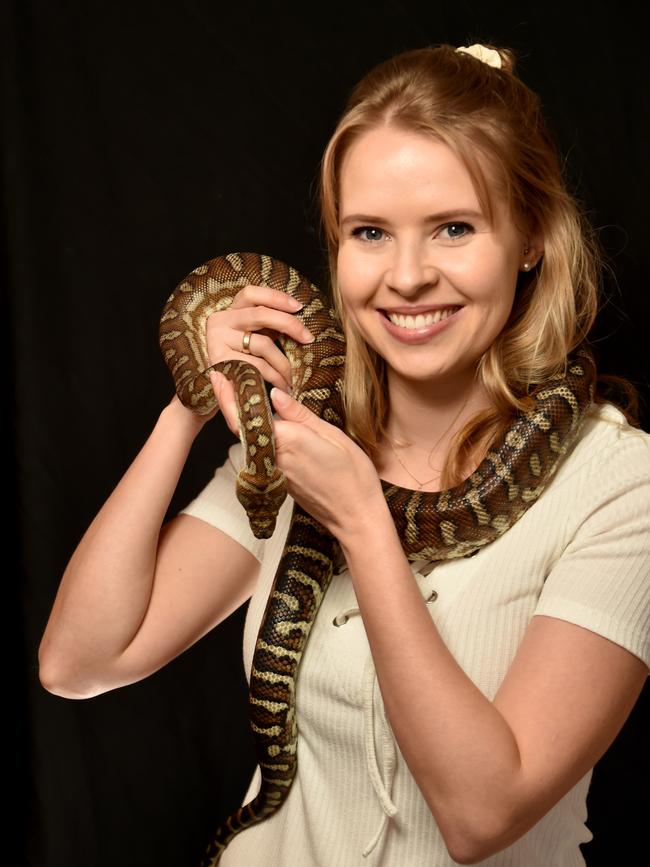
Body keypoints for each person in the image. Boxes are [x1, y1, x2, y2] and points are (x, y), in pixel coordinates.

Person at [38, 42, 649, 866]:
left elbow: (480, 814)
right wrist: (193, 401)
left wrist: (362, 519)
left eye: (454, 229)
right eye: (370, 232)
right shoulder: (300, 446)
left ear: (531, 238)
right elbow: (79, 661)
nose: (406, 276)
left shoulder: (620, 484)